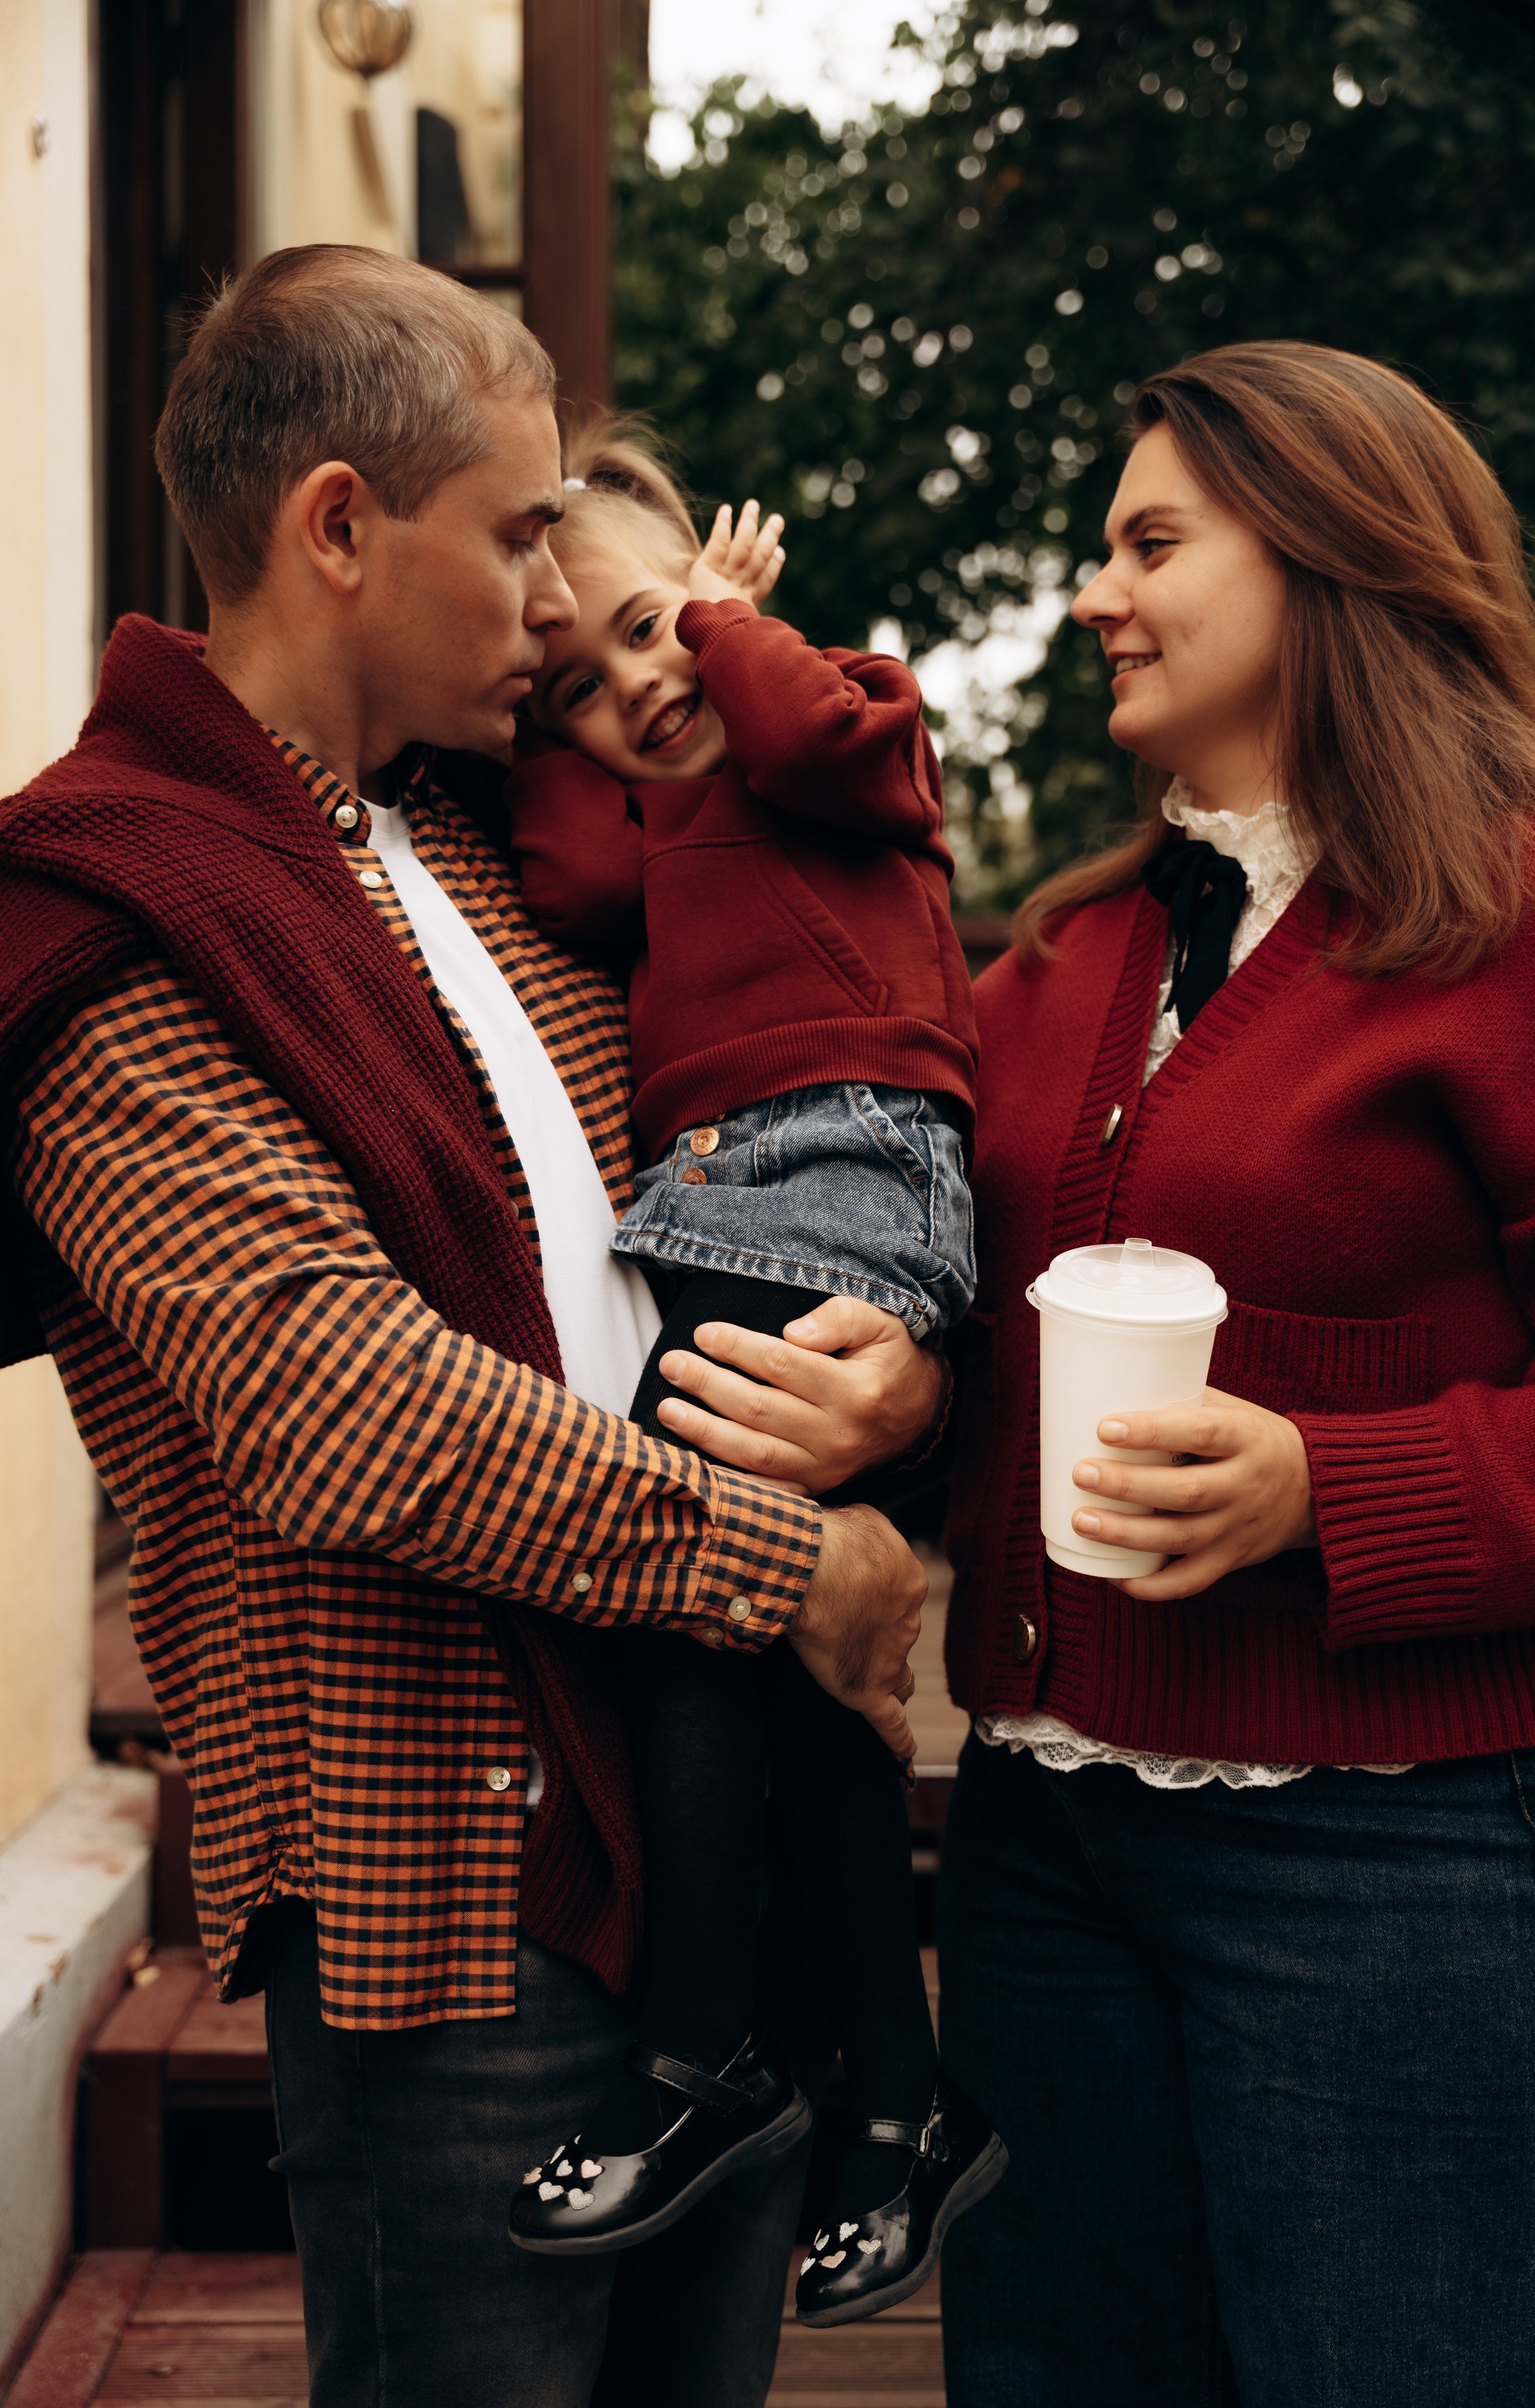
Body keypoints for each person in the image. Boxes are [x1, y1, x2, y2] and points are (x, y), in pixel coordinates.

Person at [0, 245, 945, 2408]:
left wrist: (907, 1365)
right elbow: (341, 1403)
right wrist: (798, 1564)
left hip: (702, 1840)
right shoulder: (105, 899)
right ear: (338, 526)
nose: (552, 598)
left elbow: (775, 1147)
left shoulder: (515, 853)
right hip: (450, 1893)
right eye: (519, 534)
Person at [936, 339, 1535, 2408]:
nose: (1094, 594)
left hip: (1408, 1869)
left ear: (1326, 562)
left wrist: (1331, 1487)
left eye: (1151, 542)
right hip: (1044, 1841)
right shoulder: (1053, 962)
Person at [501, 419, 1003, 2325]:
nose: (636, 688)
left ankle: (709, 2047)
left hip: (852, 1177)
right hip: (732, 1210)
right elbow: (556, 867)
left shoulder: (846, 729)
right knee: (788, 1685)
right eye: (582, 679)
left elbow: (811, 735)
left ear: (720, 600)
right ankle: (893, 2101)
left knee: (669, 1567)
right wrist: (547, 705)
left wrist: (716, 628)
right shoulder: (666, 836)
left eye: (645, 631)